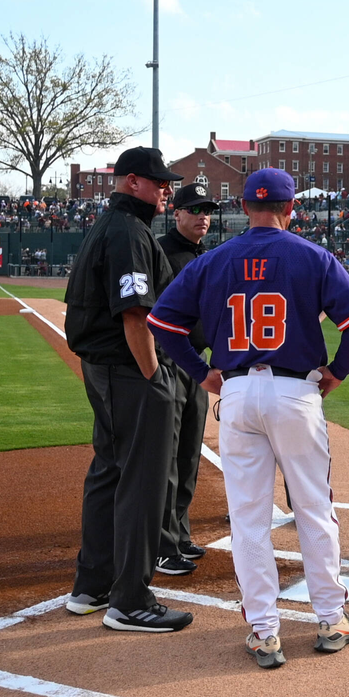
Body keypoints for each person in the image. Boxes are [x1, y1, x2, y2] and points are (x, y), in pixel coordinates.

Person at [149, 168, 349, 669]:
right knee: (314, 508)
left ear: (244, 207)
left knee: (248, 518)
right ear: (291, 208)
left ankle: (265, 631)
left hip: (238, 391)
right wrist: (336, 371)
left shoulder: (214, 259)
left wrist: (202, 373)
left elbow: (162, 321)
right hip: (296, 392)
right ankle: (332, 618)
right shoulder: (313, 256)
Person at [62, 146, 193, 634]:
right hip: (127, 370)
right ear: (131, 181)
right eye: (158, 182)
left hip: (104, 369)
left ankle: (91, 586)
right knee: (142, 481)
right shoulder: (128, 232)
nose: (166, 190)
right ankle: (131, 601)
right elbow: (134, 313)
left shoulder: (110, 225)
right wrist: (154, 375)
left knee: (110, 472)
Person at [152, 183, 218, 577]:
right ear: (176, 213)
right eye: (194, 209)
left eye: (207, 210)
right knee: (168, 455)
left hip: (199, 365)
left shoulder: (206, 256)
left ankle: (180, 533)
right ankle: (162, 544)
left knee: (189, 452)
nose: (202, 216)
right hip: (170, 362)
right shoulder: (161, 251)